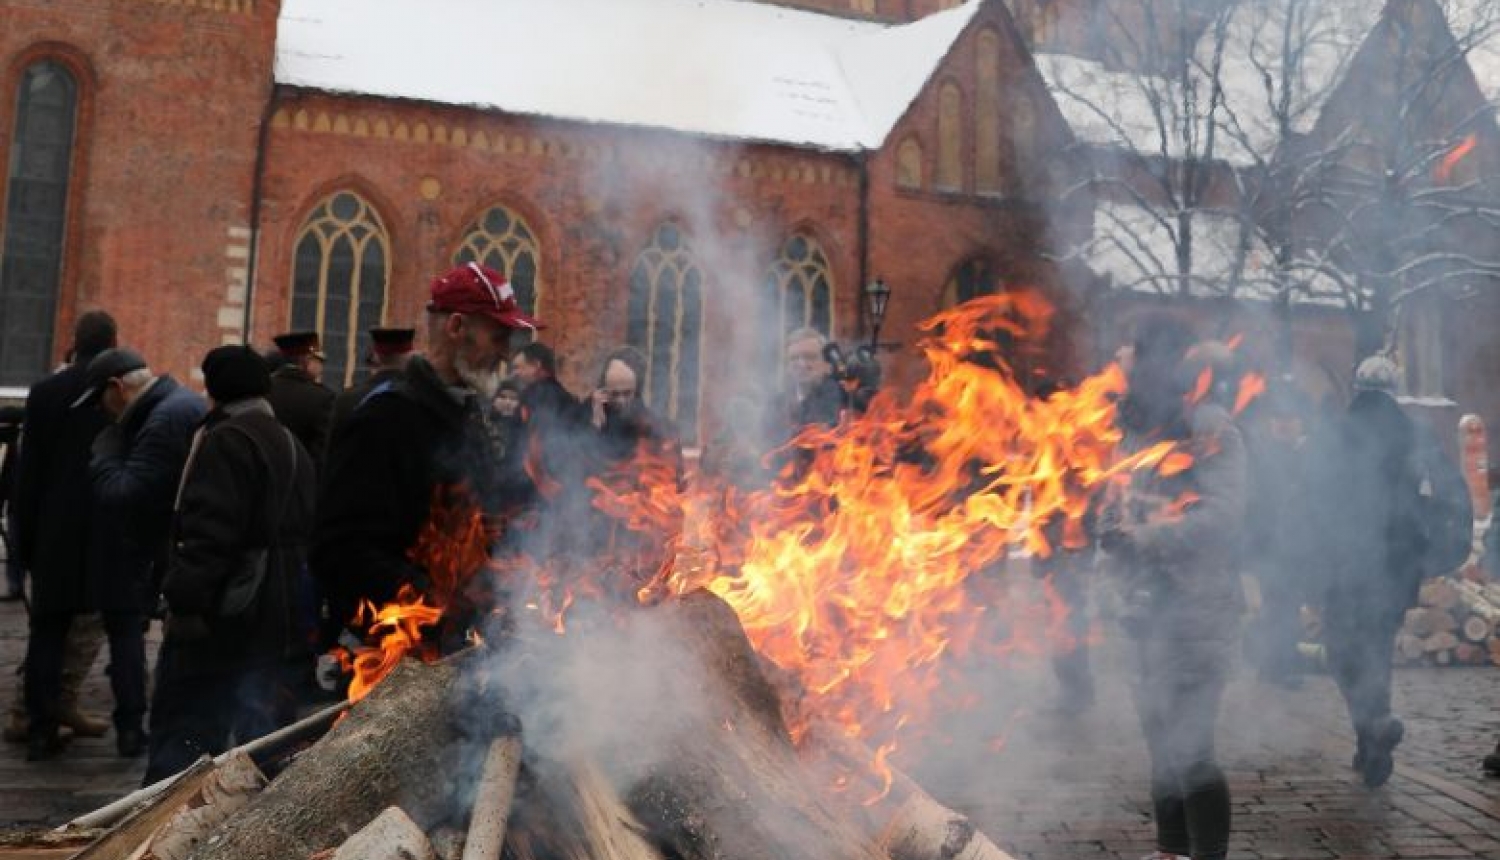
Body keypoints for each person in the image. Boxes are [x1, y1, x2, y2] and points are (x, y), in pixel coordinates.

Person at [313, 263, 542, 642]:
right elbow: (340, 549)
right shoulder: (385, 417)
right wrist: (434, 601)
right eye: (498, 336)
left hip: (458, 645)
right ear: (455, 328)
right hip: (395, 649)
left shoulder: (469, 414)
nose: (506, 353)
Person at [1101, 319, 1246, 860]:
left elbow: (1225, 515)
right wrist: (1110, 537)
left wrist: (1149, 536)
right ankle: (1171, 852)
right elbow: (1114, 506)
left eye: (1132, 358)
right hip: (1141, 612)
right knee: (1161, 748)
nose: (1122, 370)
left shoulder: (1209, 427)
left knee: (1192, 751)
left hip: (1196, 611)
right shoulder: (1132, 430)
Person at [144, 345, 317, 784]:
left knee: (185, 743)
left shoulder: (228, 439)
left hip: (226, 618)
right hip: (277, 616)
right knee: (259, 743)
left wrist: (184, 600)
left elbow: (209, 536)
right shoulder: (287, 440)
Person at [1308, 355, 1466, 788]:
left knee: (1344, 653)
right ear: (1395, 390)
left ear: (1357, 387)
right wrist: (1440, 547)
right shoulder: (1415, 433)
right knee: (1376, 652)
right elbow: (1451, 490)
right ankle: (1373, 733)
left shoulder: (1334, 433)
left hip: (1343, 563)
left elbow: (1307, 500)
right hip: (1397, 564)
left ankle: (1371, 728)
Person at [76, 349, 207, 755]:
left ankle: (137, 729)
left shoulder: (162, 418)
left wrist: (105, 453)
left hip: (159, 554)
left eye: (101, 400)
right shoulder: (174, 405)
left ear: (117, 387)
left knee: (131, 635)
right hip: (165, 550)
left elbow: (124, 494)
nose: (102, 411)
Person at [13, 311, 120, 760]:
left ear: (76, 341)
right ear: (113, 344)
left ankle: (38, 726)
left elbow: (28, 472)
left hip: (52, 529)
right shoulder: (117, 395)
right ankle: (96, 713)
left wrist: (26, 539)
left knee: (47, 633)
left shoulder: (44, 392)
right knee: (103, 627)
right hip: (100, 530)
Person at [1241, 383, 1318, 689]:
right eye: (1279, 419)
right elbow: (1255, 504)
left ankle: (1276, 664)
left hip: (1297, 544)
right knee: (1278, 606)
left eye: (1290, 419)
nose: (1284, 424)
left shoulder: (1308, 456)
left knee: (1286, 607)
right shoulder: (1262, 458)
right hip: (1269, 545)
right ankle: (1276, 667)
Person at [326, 327, 416, 451]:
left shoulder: (346, 399)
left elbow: (332, 450)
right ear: (410, 357)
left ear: (376, 357)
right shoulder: (420, 399)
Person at [267, 330, 336, 473]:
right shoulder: (323, 397)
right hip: (299, 482)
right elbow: (321, 454)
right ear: (306, 360)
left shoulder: (262, 389)